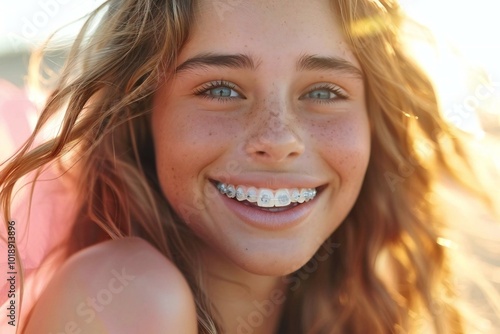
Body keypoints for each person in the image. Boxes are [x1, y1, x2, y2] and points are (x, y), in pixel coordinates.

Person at [0, 0, 498, 333]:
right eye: (220, 89)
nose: (278, 139)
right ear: (140, 115)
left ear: (373, 123)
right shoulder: (127, 297)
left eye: (324, 92)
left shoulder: (354, 306)